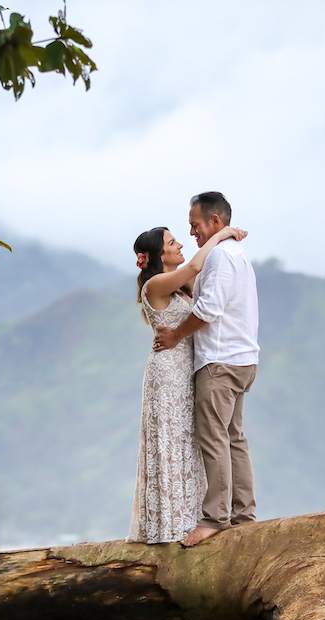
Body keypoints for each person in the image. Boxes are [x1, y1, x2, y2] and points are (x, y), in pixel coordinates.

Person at [127, 223, 248, 544]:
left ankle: (191, 518)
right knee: (172, 442)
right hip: (168, 374)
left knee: (190, 443)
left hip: (189, 370)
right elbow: (196, 265)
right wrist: (219, 235)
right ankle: (169, 526)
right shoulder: (154, 284)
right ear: (158, 254)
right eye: (172, 242)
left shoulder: (182, 287)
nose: (180, 244)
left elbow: (206, 292)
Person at [153, 192, 259, 547]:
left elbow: (209, 308)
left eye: (195, 225)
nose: (192, 233)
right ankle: (244, 515)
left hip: (220, 360)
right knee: (234, 438)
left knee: (213, 439)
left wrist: (176, 336)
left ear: (215, 221)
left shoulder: (220, 257)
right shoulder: (236, 254)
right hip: (242, 359)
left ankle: (215, 518)